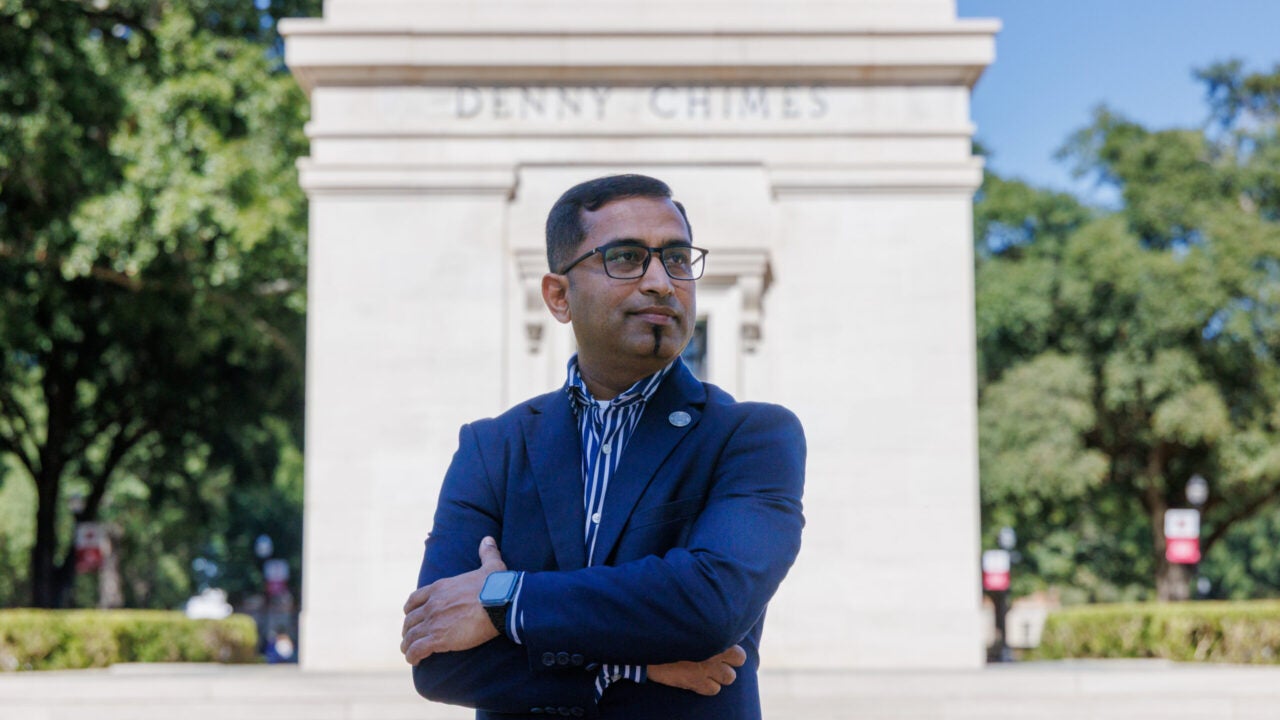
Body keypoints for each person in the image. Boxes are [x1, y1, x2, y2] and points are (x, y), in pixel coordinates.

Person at [401, 174, 806, 719]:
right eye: (626, 257)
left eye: (678, 259)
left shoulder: (753, 438)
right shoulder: (492, 448)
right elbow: (437, 661)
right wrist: (635, 667)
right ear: (558, 295)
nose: (661, 281)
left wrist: (502, 600)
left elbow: (709, 604)